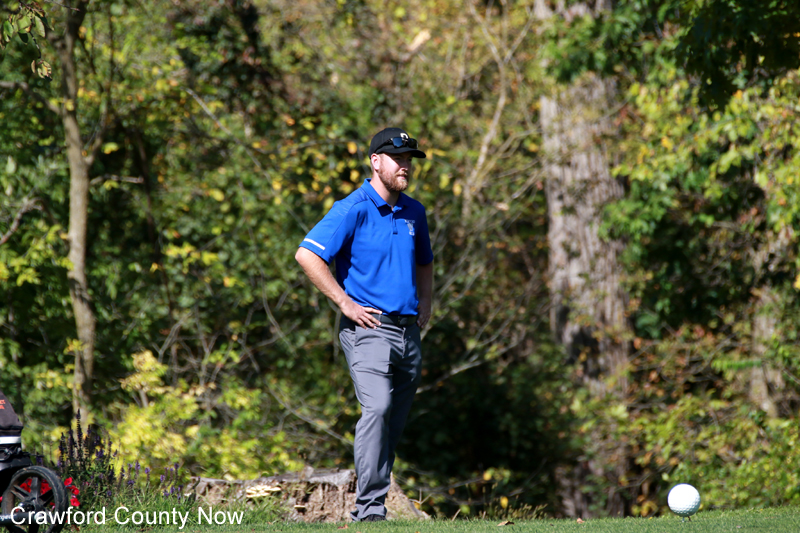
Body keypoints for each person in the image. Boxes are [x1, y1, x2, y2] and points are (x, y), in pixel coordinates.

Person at [295, 127, 434, 522]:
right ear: (375, 161)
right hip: (369, 328)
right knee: (378, 408)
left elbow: (425, 261)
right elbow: (307, 255)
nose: (405, 166)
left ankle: (375, 504)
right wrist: (344, 302)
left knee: (394, 421)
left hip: (408, 332)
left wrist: (426, 301)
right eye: (397, 158)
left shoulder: (415, 212)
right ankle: (369, 511)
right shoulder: (352, 208)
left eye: (409, 160)